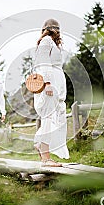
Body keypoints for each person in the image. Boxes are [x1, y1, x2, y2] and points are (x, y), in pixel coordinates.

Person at [33, 19, 70, 167]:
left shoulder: (53, 44)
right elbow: (43, 62)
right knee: (48, 117)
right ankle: (45, 158)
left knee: (55, 118)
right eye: (57, 29)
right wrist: (47, 83)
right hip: (50, 85)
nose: (59, 32)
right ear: (51, 30)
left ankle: (40, 145)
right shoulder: (46, 41)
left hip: (56, 85)